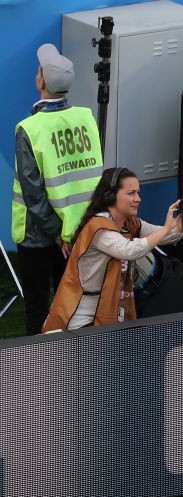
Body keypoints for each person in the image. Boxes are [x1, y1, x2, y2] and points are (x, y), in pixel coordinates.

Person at [12, 43, 103, 335]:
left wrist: (55, 233)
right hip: (76, 232)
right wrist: (69, 231)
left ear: (41, 81)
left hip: (39, 235)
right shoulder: (86, 117)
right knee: (75, 306)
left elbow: (32, 192)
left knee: (37, 307)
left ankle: (38, 363)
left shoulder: (29, 128)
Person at [42, 167, 183, 332]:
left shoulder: (129, 223)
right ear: (110, 196)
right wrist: (166, 229)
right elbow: (129, 250)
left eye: (138, 193)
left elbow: (168, 236)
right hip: (80, 316)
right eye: (131, 193)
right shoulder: (98, 227)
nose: (138, 198)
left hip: (108, 308)